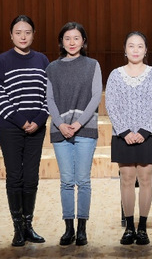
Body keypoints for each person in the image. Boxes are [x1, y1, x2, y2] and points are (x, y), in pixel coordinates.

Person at [0, 15, 49, 247]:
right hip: (10, 128)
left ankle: (28, 226)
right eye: (18, 32)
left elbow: (49, 95)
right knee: (15, 176)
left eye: (27, 32)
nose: (23, 36)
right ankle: (17, 229)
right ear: (11, 35)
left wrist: (38, 120)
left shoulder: (42, 60)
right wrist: (22, 121)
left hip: (37, 127)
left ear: (33, 35)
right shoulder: (3, 60)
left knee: (31, 177)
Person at [105, 31, 152, 246]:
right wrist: (125, 132)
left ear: (146, 50)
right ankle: (129, 227)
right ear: (125, 49)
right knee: (127, 180)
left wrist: (144, 131)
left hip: (148, 136)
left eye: (140, 46)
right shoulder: (115, 75)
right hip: (123, 136)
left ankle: (143, 228)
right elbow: (111, 104)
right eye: (131, 46)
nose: (136, 50)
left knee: (146, 179)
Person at [45, 22, 102, 247]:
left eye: (76, 38)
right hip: (60, 130)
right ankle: (68, 228)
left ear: (83, 41)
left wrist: (78, 123)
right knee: (67, 181)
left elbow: (96, 96)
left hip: (85, 128)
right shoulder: (52, 68)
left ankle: (82, 229)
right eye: (67, 38)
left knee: (83, 181)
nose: (71, 42)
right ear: (61, 41)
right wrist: (60, 124)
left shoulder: (92, 65)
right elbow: (49, 99)